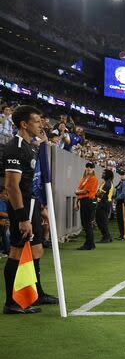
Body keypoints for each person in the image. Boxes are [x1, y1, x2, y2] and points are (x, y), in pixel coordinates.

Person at [3, 105, 58, 314]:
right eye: (36, 121)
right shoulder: (15, 147)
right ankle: (10, 302)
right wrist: (22, 217)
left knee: (36, 250)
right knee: (17, 252)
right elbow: (11, 186)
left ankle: (37, 292)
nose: (40, 124)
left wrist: (41, 207)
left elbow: (33, 181)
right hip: (21, 209)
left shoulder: (31, 147)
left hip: (33, 206)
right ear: (24, 124)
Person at [74, 162, 98, 250]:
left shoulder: (93, 179)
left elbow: (85, 191)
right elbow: (80, 191)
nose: (88, 168)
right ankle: (91, 243)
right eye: (87, 167)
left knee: (87, 223)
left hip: (89, 201)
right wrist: (76, 202)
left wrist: (77, 191)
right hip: (84, 201)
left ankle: (88, 244)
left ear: (93, 169)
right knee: (86, 223)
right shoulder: (84, 178)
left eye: (90, 167)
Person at [95, 168, 114, 243]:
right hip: (103, 203)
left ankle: (106, 237)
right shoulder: (105, 182)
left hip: (104, 203)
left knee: (101, 221)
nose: (102, 174)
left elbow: (100, 195)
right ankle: (107, 236)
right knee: (101, 220)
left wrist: (93, 194)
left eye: (104, 173)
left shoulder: (107, 183)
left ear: (107, 175)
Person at [113, 170, 125, 241]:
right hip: (120, 202)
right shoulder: (121, 182)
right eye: (120, 174)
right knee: (120, 219)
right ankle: (122, 234)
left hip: (123, 202)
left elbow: (124, 194)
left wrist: (116, 198)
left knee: (123, 219)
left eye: (123, 174)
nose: (121, 175)